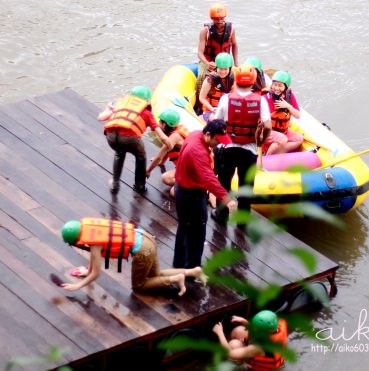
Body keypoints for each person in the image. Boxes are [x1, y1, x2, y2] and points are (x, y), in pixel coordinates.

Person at [60, 218, 207, 296]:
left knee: (139, 286)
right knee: (155, 275)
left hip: (142, 251)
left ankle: (175, 279)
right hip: (146, 237)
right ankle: (192, 271)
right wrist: (88, 269)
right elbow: (94, 258)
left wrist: (78, 286)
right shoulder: (92, 228)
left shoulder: (94, 244)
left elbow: (97, 273)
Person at [211, 63, 272, 224]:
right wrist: (261, 142)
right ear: (253, 83)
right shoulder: (261, 101)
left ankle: (221, 215)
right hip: (250, 150)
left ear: (235, 81)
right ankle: (243, 220)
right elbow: (267, 127)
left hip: (228, 148)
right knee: (246, 187)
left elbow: (217, 123)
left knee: (224, 183)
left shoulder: (225, 99)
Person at [173, 119, 238, 269]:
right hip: (190, 195)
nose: (218, 144)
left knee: (190, 229)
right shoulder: (198, 151)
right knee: (192, 231)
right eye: (217, 140)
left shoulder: (196, 134)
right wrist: (228, 200)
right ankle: (188, 268)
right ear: (208, 134)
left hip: (188, 189)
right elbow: (208, 178)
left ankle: (188, 266)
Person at [98, 86, 172, 194]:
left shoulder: (120, 105)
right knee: (140, 157)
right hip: (130, 140)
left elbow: (101, 117)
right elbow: (161, 135)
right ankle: (139, 186)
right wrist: (169, 145)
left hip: (111, 137)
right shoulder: (146, 113)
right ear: (146, 100)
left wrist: (107, 109)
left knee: (119, 153)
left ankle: (115, 183)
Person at [212, 310, 288, 369]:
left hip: (260, 363)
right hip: (263, 352)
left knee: (233, 345)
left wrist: (220, 332)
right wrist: (243, 321)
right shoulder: (274, 327)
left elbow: (230, 354)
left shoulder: (258, 348)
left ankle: (239, 360)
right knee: (239, 330)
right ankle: (228, 344)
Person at [196, 2, 238, 107]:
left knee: (234, 77)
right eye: (216, 19)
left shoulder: (231, 29)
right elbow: (200, 52)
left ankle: (231, 101)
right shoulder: (205, 31)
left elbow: (235, 45)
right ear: (212, 18)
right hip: (209, 61)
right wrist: (206, 63)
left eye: (221, 18)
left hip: (225, 62)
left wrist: (236, 62)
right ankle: (198, 103)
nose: (219, 21)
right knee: (201, 76)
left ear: (225, 17)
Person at [145, 108, 187, 197]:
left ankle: (196, 187)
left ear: (164, 124)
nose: (158, 124)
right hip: (188, 167)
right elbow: (168, 150)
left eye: (160, 122)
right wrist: (162, 162)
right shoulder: (175, 132)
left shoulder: (174, 136)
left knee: (168, 183)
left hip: (192, 170)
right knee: (168, 180)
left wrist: (148, 171)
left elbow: (159, 156)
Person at [262, 71, 304, 155]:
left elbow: (298, 115)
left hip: (282, 132)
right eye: (275, 85)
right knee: (283, 139)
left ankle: (277, 152)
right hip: (265, 132)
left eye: (280, 85)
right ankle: (266, 157)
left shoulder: (290, 97)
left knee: (299, 139)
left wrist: (287, 106)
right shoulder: (265, 98)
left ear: (286, 87)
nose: (277, 88)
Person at [198, 52, 235, 122]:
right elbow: (201, 98)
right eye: (220, 69)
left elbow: (235, 97)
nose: (223, 72)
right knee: (218, 119)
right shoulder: (209, 80)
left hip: (225, 109)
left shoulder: (233, 79)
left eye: (225, 69)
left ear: (229, 68)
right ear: (216, 67)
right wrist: (213, 109)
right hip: (210, 111)